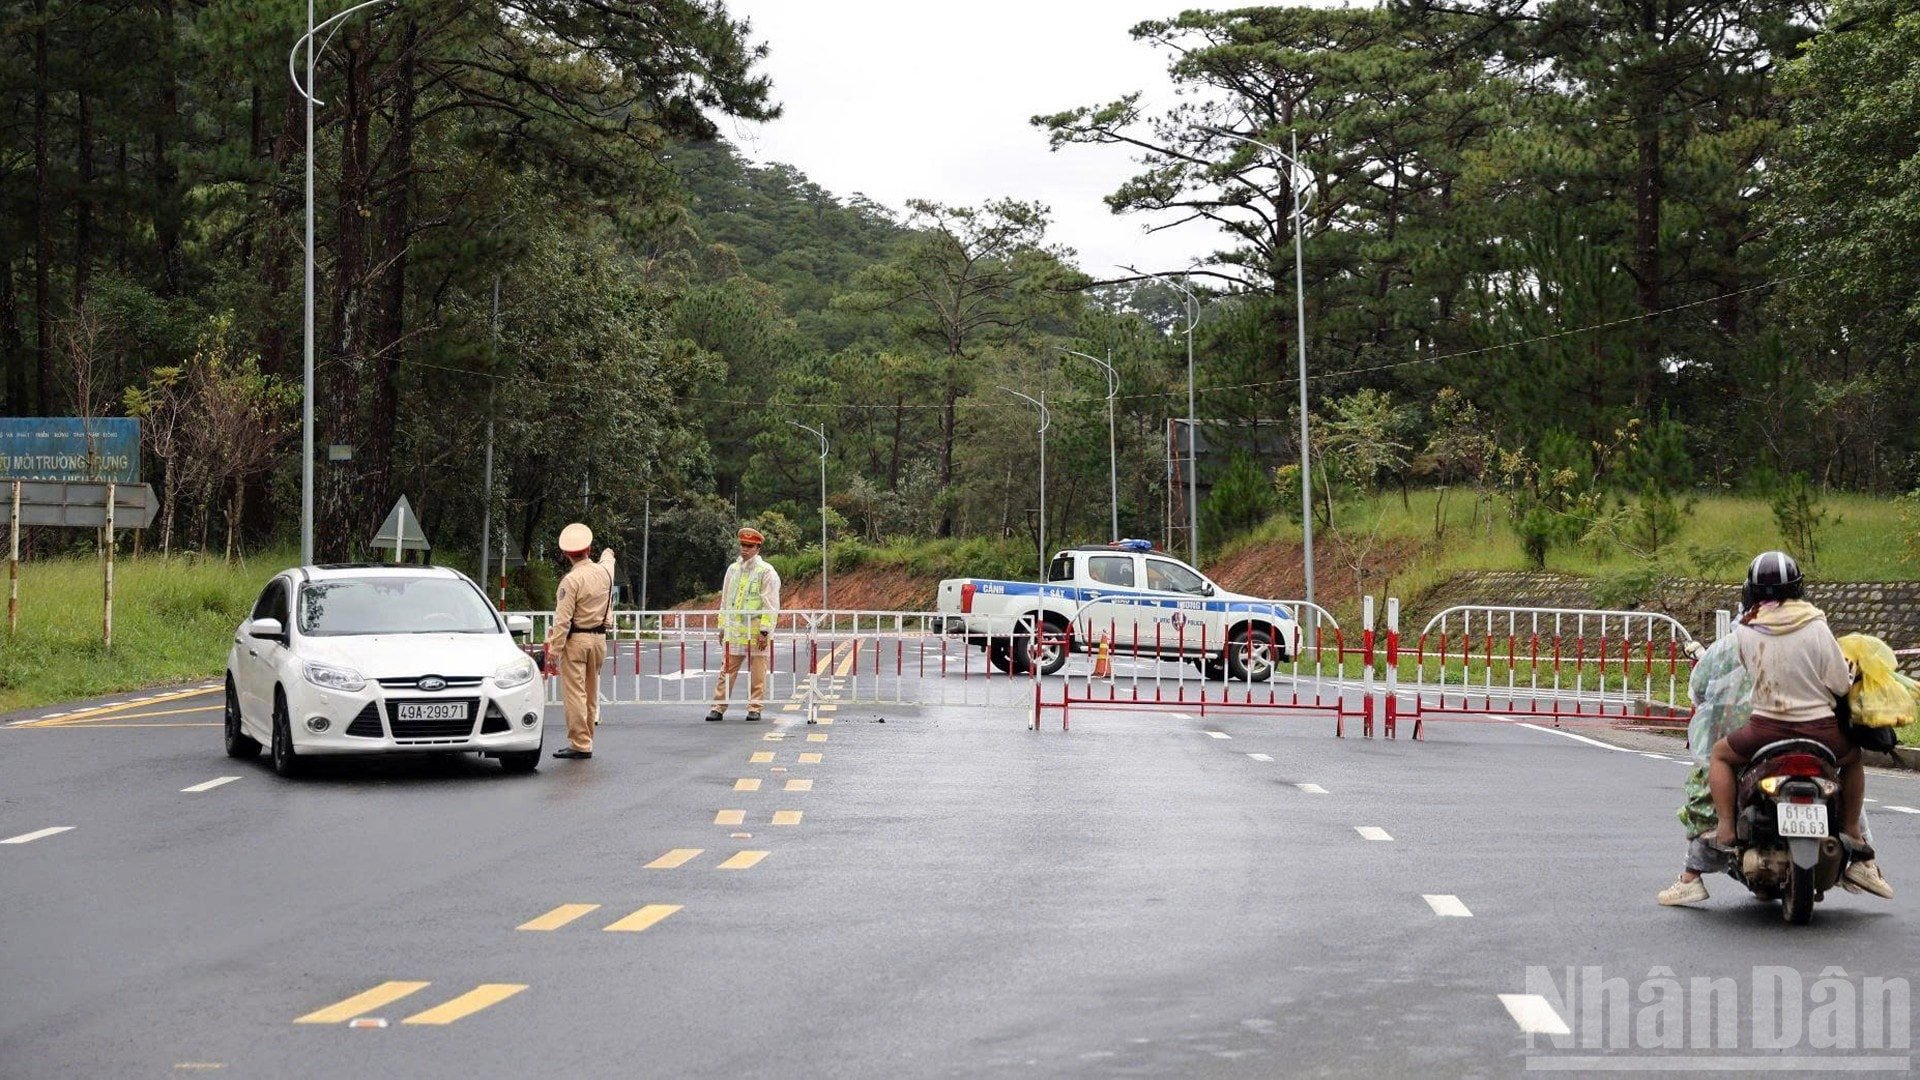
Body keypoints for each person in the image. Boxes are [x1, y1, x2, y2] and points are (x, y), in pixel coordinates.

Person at [1700, 551, 1892, 899]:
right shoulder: (1816, 625)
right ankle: (1851, 829)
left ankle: (1726, 829)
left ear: (1753, 590)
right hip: (1821, 733)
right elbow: (1838, 683)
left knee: (1720, 756)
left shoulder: (1746, 628)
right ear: (1798, 586)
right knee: (1853, 759)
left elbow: (1750, 674)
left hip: (1764, 732)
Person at [543, 523, 615, 759]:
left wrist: (554, 649)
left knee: (575, 694)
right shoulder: (604, 573)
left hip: (577, 641)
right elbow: (608, 561)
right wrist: (608, 552)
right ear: (589, 549)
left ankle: (579, 743)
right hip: (599, 640)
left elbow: (563, 619)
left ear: (566, 554)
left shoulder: (571, 581)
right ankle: (588, 738)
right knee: (591, 692)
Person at [706, 527, 780, 722]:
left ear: (757, 548)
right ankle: (718, 707)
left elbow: (770, 603)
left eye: (749, 546)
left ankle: (755, 708)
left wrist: (765, 631)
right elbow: (725, 600)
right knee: (727, 670)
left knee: (758, 672)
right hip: (735, 631)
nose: (744, 549)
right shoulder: (733, 569)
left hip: (756, 630)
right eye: (742, 545)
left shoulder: (766, 571)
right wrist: (722, 626)